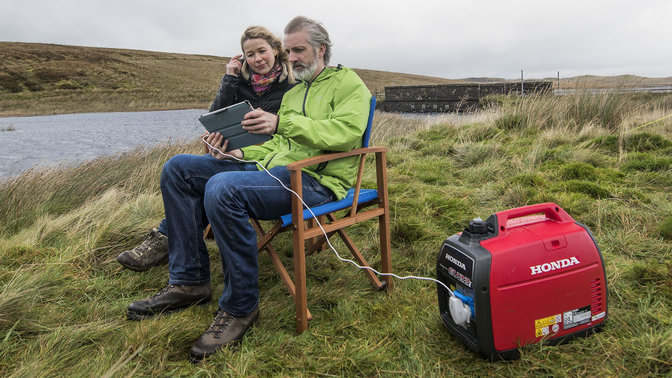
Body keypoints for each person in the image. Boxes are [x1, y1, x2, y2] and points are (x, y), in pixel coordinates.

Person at [125, 15, 371, 361]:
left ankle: (241, 307)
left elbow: (345, 134)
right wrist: (240, 151)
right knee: (178, 168)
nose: (292, 57)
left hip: (316, 182)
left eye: (298, 50)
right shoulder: (295, 91)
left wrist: (282, 123)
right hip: (274, 173)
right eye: (289, 50)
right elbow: (277, 146)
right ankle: (189, 281)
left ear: (322, 49)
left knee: (223, 188)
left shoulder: (349, 85)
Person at [116, 25, 296, 272]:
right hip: (233, 155)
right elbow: (214, 118)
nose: (257, 59)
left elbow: (293, 131)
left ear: (276, 49)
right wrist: (230, 79)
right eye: (250, 54)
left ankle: (166, 239)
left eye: (262, 51)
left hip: (270, 162)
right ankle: (172, 245)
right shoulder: (240, 82)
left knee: (204, 181)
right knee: (182, 168)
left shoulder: (293, 85)